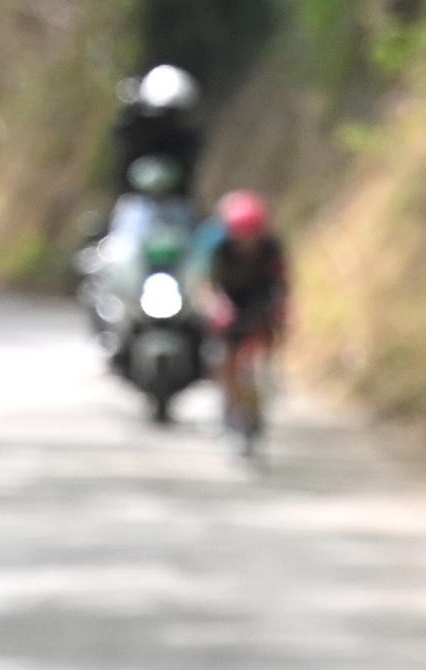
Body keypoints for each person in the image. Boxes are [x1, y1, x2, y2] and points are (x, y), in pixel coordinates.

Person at [190, 190, 290, 438]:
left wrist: (281, 310)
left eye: (252, 232)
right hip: (227, 304)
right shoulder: (216, 247)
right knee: (221, 356)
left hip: (259, 301)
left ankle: (261, 397)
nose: (246, 240)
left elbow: (281, 284)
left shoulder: (271, 248)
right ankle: (228, 407)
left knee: (265, 347)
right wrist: (215, 307)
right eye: (241, 233)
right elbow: (204, 285)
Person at [112, 64, 203, 199]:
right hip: (136, 200)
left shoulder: (185, 140)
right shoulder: (133, 129)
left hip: (176, 201)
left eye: (175, 113)